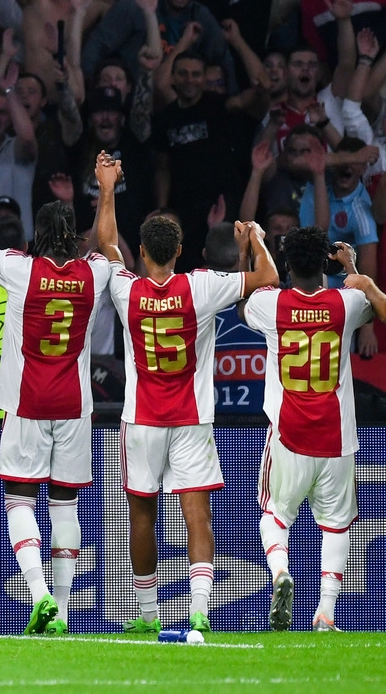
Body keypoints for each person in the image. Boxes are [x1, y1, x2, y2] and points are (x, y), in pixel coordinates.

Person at [94, 153, 276, 636]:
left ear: (143, 252)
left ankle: (147, 617)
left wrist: (107, 187)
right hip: (193, 419)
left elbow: (106, 243)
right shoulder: (200, 287)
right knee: (198, 517)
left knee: (141, 516)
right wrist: (251, 240)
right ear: (179, 251)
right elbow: (267, 280)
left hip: (142, 420)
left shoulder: (124, 288)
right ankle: (198, 612)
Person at [0, 166, 118, 635]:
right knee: (65, 508)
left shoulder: (20, 270)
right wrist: (105, 190)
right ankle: (58, 608)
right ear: (74, 239)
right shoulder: (95, 273)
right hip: (76, 406)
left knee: (19, 500)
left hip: (27, 402)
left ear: (37, 234)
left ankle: (39, 596)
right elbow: (107, 245)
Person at [243, 227, 386, 633]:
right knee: (337, 523)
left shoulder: (272, 305)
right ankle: (326, 612)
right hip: (336, 435)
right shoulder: (348, 302)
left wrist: (250, 250)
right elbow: (373, 305)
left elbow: (243, 303)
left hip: (289, 433)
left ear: (288, 265)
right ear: (325, 263)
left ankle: (280, 573)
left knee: (274, 515)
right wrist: (354, 268)